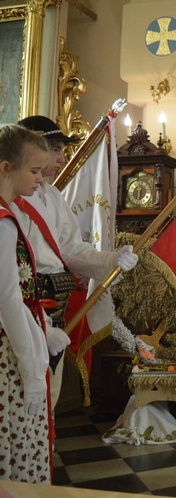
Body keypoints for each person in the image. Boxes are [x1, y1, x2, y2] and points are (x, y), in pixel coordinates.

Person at [14, 115, 139, 408]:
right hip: (23, 306)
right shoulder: (10, 198)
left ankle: (43, 450)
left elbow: (71, 250)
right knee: (20, 393)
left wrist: (112, 259)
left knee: (48, 393)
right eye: (54, 149)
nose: (60, 158)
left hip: (54, 306)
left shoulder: (52, 196)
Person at [0, 124, 56, 484]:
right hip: (7, 355)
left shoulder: (11, 213)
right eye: (34, 171)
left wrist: (46, 330)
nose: (41, 178)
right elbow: (7, 297)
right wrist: (32, 370)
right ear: (6, 167)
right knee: (17, 445)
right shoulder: (3, 222)